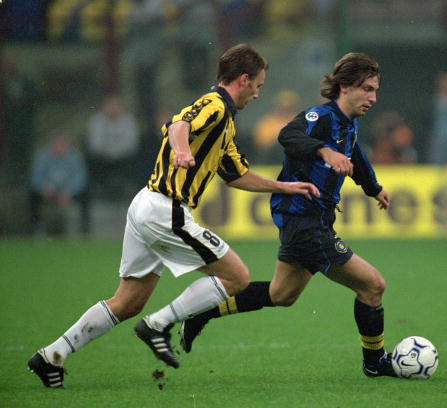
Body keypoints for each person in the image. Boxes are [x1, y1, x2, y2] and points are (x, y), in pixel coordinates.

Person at [27, 44, 320, 389]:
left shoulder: (226, 123)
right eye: (258, 85)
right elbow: (180, 124)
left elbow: (236, 175)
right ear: (243, 79)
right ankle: (158, 324)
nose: (258, 93)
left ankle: (51, 355)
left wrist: (284, 187)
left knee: (128, 302)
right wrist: (181, 150)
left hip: (147, 205)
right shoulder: (215, 105)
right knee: (237, 277)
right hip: (166, 209)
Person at [180, 52, 396, 378]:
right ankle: (375, 363)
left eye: (375, 90)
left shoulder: (348, 124)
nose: (373, 98)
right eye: (367, 89)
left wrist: (373, 187)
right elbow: (288, 136)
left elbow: (353, 154)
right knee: (373, 285)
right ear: (345, 86)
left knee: (282, 295)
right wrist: (323, 150)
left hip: (313, 220)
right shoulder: (321, 116)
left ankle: (201, 312)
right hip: (304, 221)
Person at [28, 133, 89, 236]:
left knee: (85, 196)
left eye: (62, 145)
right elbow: (35, 176)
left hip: (68, 191)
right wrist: (44, 187)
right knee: (32, 196)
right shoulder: (43, 157)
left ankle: (84, 229)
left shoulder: (75, 157)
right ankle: (36, 227)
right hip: (48, 191)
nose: (59, 148)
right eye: (56, 145)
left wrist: (68, 191)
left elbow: (80, 178)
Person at [85, 93, 141, 197]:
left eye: (115, 105)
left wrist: (115, 153)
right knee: (91, 159)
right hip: (102, 157)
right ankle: (97, 190)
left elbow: (131, 142)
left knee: (136, 159)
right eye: (109, 105)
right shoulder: (97, 121)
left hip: (123, 157)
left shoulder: (128, 120)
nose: (112, 108)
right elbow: (94, 142)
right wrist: (106, 152)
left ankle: (130, 190)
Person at [251, 89, 299, 164]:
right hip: (271, 160)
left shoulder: (300, 121)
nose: (285, 112)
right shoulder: (267, 122)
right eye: (283, 108)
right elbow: (261, 144)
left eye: (289, 109)